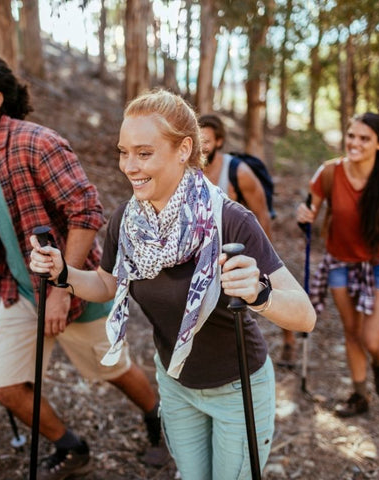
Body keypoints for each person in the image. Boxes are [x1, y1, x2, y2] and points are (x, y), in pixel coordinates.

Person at [29, 89, 316, 479]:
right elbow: (107, 284)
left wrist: (259, 293)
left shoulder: (228, 220)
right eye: (123, 151)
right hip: (176, 383)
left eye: (144, 153)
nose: (129, 166)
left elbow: (305, 316)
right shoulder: (128, 222)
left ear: (183, 149)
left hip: (236, 388)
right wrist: (63, 273)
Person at [0, 52, 162, 479]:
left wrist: (62, 290)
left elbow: (86, 210)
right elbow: (10, 222)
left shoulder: (36, 142)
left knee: (114, 369)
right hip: (20, 291)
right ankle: (72, 447)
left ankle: (157, 417)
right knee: (7, 387)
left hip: (76, 291)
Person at [296, 112, 379, 417]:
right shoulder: (329, 173)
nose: (355, 143)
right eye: (351, 136)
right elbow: (309, 212)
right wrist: (304, 217)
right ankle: (360, 395)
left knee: (371, 338)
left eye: (364, 138)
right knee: (351, 332)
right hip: (340, 262)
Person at [198, 114, 297, 368]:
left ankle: (289, 341)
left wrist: (263, 255)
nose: (202, 146)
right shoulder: (192, 170)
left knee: (271, 289)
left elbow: (262, 215)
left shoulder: (238, 172)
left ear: (219, 141)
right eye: (198, 140)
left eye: (207, 141)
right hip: (211, 248)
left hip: (244, 245)